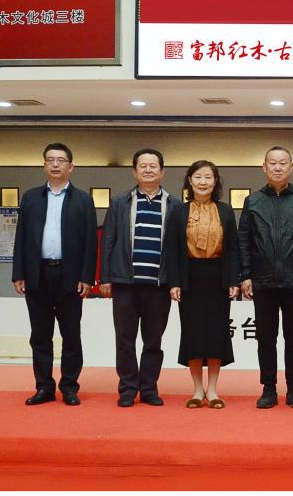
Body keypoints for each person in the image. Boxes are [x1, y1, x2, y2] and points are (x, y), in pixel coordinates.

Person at [12, 142, 98, 406]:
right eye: (50, 160)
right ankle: (44, 387)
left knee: (71, 334)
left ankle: (69, 386)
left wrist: (87, 277)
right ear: (44, 165)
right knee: (40, 335)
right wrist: (19, 273)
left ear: (71, 167)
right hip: (37, 274)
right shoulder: (31, 198)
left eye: (61, 160)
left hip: (70, 276)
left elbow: (90, 242)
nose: (55, 164)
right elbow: (21, 237)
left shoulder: (82, 199)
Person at [99, 148, 180, 407]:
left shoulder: (174, 204)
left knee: (153, 341)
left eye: (153, 166)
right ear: (134, 172)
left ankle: (148, 389)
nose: (148, 170)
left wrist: (176, 281)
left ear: (162, 172)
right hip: (126, 284)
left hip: (159, 285)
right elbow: (108, 240)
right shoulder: (120, 202)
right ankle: (127, 389)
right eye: (142, 166)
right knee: (124, 340)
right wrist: (105, 277)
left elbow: (178, 248)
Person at [165, 160, 240, 409]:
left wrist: (233, 280)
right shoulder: (178, 211)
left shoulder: (226, 210)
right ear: (189, 181)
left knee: (217, 333)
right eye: (198, 177)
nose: (203, 182)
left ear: (215, 181)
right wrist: (174, 282)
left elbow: (233, 249)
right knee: (193, 333)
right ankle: (198, 390)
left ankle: (214, 389)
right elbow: (172, 249)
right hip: (189, 278)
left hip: (218, 278)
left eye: (208, 177)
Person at [239, 147, 293, 409]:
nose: (278, 167)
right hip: (262, 281)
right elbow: (243, 240)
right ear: (264, 167)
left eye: (283, 163)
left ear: (291, 167)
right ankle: (268, 388)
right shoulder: (253, 201)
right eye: (273, 163)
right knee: (265, 339)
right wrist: (245, 275)